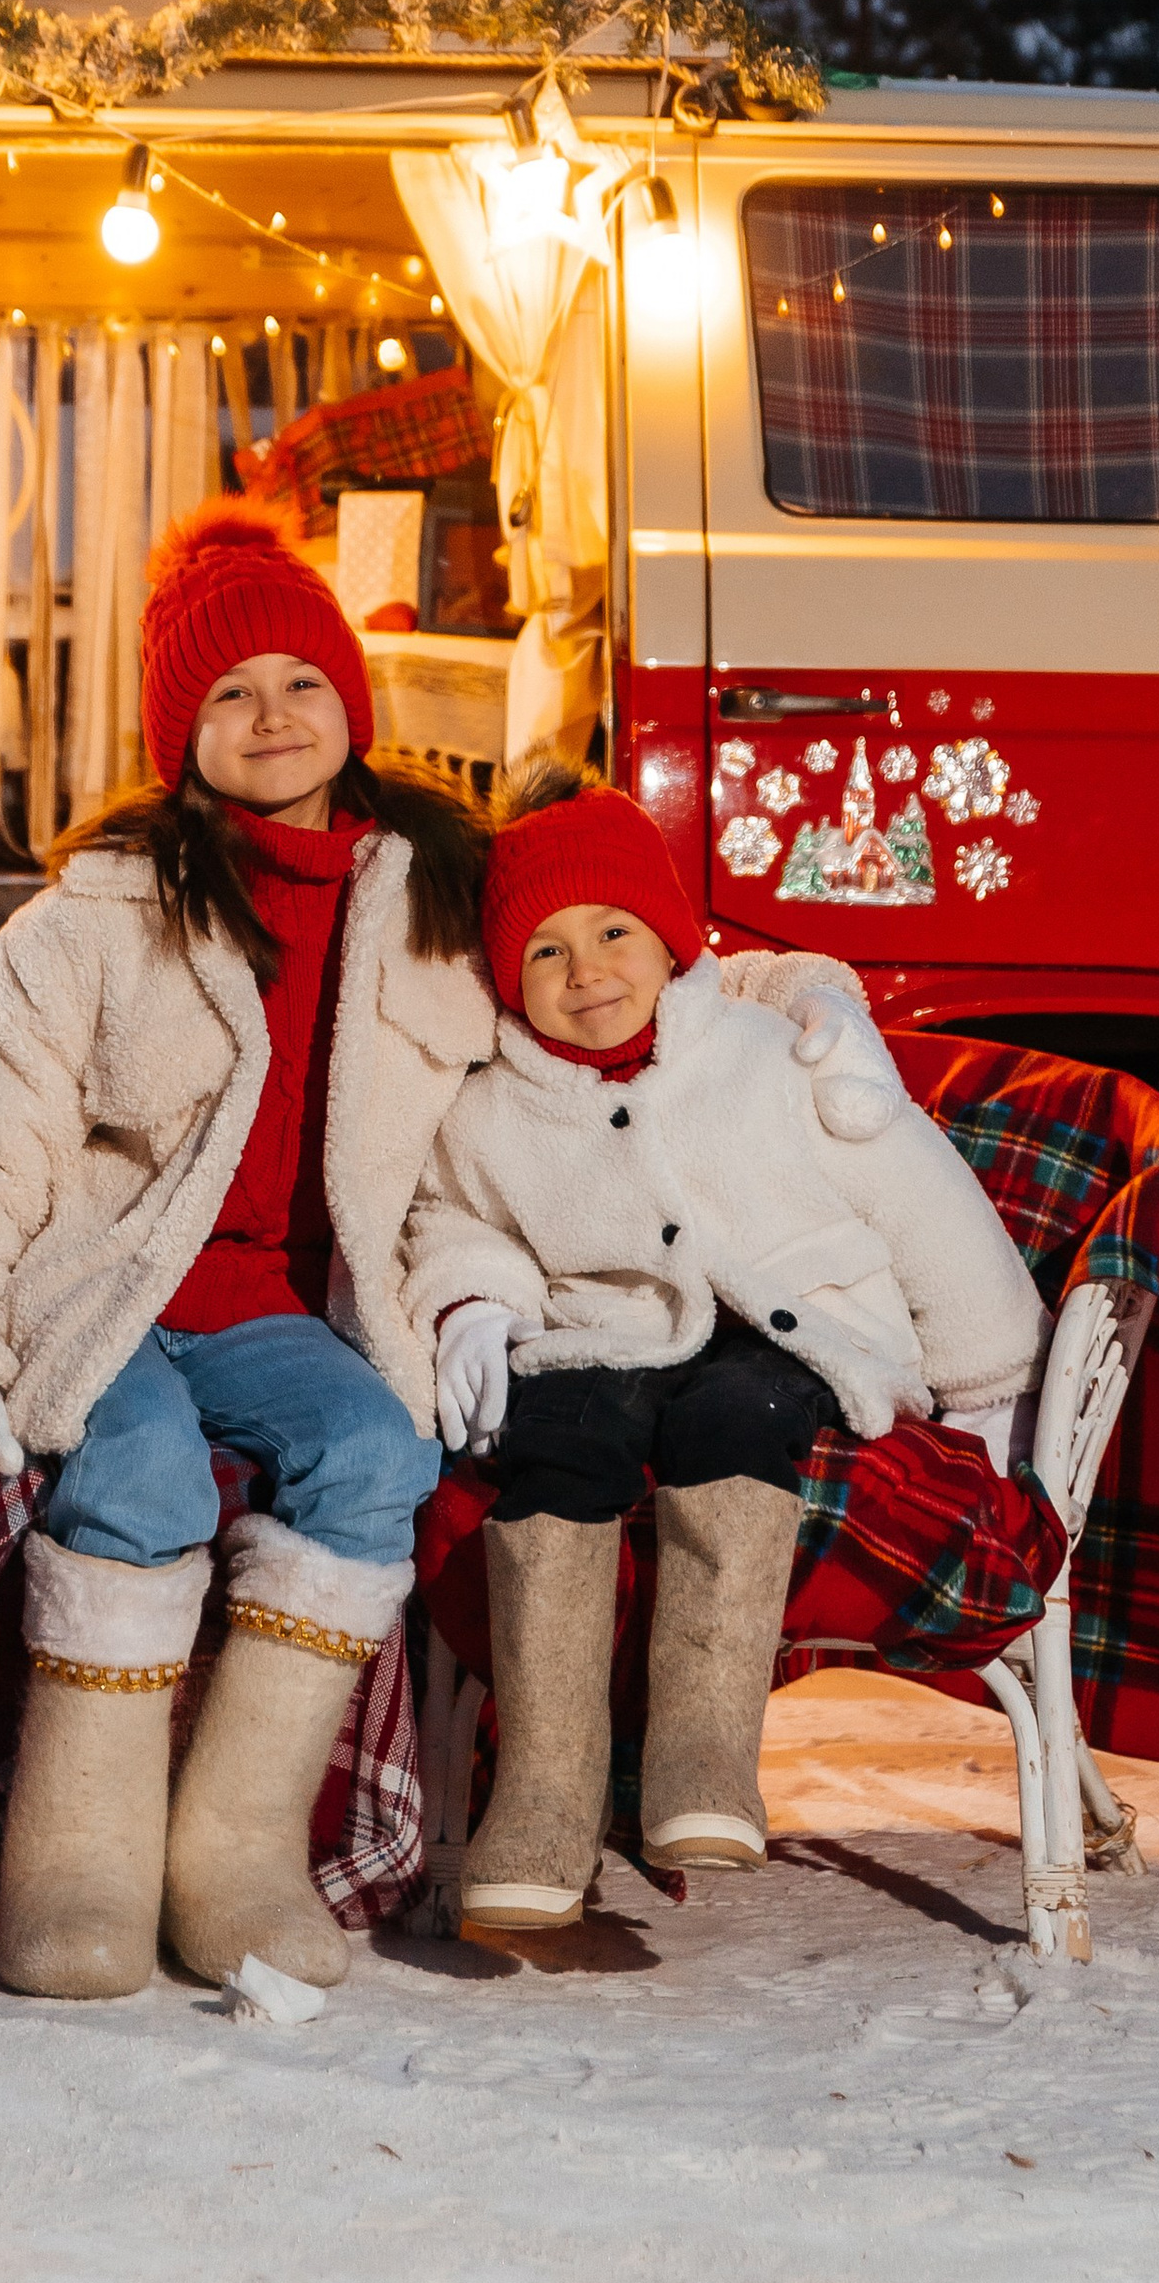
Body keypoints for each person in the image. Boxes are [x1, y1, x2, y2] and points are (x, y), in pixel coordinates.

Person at [0, 497, 497, 2003]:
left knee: (378, 1458)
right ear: (178, 735)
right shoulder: (95, 922)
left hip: (280, 1306)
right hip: (106, 1289)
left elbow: (585, 993)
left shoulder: (427, 902)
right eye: (228, 694)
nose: (271, 718)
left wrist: (784, 1008)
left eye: (300, 684)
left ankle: (237, 1848)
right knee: (134, 1475)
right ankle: (75, 1862)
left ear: (352, 705)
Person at [402, 761, 1049, 1935]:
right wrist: (476, 1304)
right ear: (507, 978)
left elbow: (923, 1206)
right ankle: (548, 1794)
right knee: (557, 1444)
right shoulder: (496, 1104)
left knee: (734, 1412)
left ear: (670, 941)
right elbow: (454, 1216)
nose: (586, 971)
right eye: (544, 951)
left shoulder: (769, 1052)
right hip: (605, 1337)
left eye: (612, 932)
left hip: (792, 1331)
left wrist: (989, 1379)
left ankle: (704, 1754)